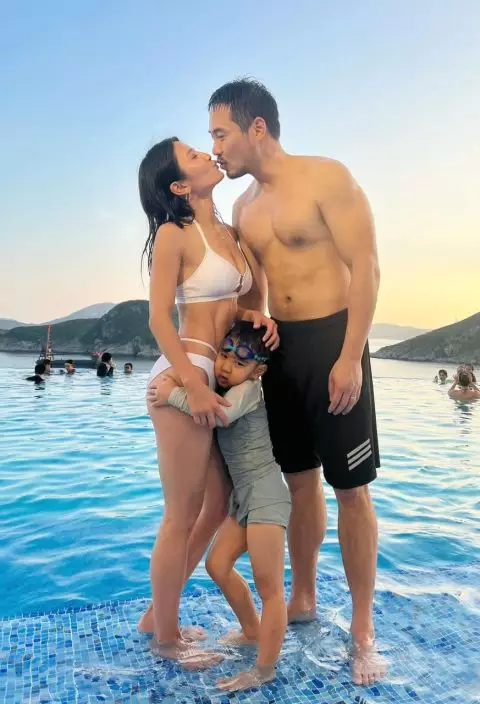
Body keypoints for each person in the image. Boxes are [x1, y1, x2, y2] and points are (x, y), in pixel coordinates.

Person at [209, 78, 385, 685]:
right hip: (280, 351)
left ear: (256, 127)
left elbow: (367, 266)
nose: (216, 148)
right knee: (299, 481)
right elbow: (257, 288)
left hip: (334, 341)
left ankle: (363, 630)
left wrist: (350, 356)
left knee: (351, 488)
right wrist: (250, 325)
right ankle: (304, 597)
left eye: (222, 134)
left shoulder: (326, 178)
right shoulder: (243, 207)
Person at [136, 137, 278, 666]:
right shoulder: (174, 233)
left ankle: (157, 614)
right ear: (179, 185)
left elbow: (229, 305)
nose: (206, 154)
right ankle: (166, 638)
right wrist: (193, 387)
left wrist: (254, 317)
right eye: (193, 155)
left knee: (217, 506)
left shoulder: (227, 233)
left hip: (215, 377)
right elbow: (159, 318)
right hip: (187, 370)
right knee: (181, 514)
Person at [148, 321, 290, 692]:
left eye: (240, 362)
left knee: (270, 588)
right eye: (224, 355)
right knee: (217, 564)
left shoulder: (248, 390)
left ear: (258, 371)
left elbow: (220, 414)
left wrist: (172, 395)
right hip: (243, 498)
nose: (226, 366)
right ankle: (252, 630)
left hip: (265, 494)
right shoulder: (231, 384)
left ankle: (264, 668)